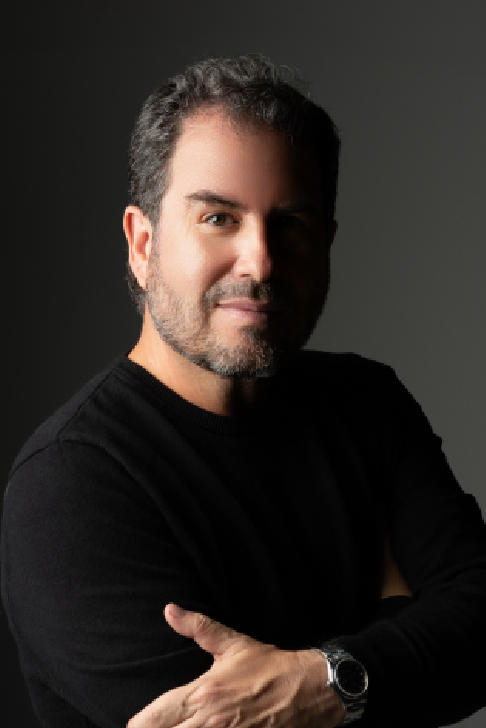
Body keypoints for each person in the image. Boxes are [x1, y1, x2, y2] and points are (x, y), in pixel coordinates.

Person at [2, 55, 486, 728]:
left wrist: (325, 685)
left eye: (289, 223)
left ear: (326, 243)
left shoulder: (369, 404)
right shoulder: (70, 483)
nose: (260, 261)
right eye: (218, 218)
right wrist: (401, 620)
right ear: (143, 244)